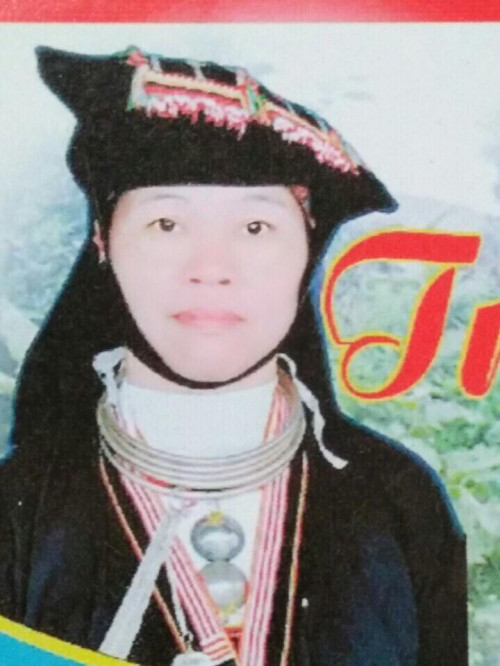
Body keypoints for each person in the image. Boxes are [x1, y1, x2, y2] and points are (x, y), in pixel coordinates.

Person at [0, 45, 467, 666]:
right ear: (103, 241)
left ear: (308, 252)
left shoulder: (401, 501)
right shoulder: (18, 511)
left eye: (255, 228)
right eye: (167, 224)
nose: (211, 268)